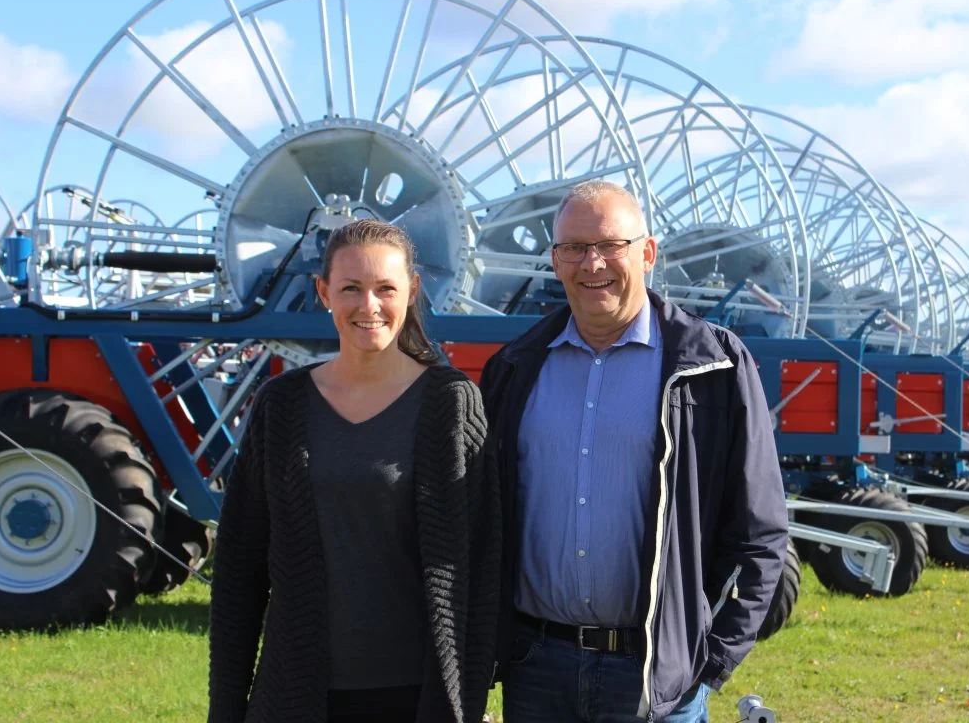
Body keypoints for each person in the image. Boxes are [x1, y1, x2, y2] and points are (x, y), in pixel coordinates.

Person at [480, 181, 788, 722]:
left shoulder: (713, 368)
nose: (591, 263)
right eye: (573, 248)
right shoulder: (514, 369)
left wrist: (709, 660)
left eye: (610, 245)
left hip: (656, 680)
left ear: (646, 253)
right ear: (555, 262)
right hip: (536, 671)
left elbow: (762, 534)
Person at [208, 219, 500, 723]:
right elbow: (239, 571)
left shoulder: (452, 404)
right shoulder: (281, 406)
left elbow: (482, 573)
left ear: (411, 291)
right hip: (298, 694)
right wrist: (226, 708)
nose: (368, 306)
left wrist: (465, 703)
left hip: (419, 698)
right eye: (350, 289)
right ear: (323, 292)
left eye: (385, 288)